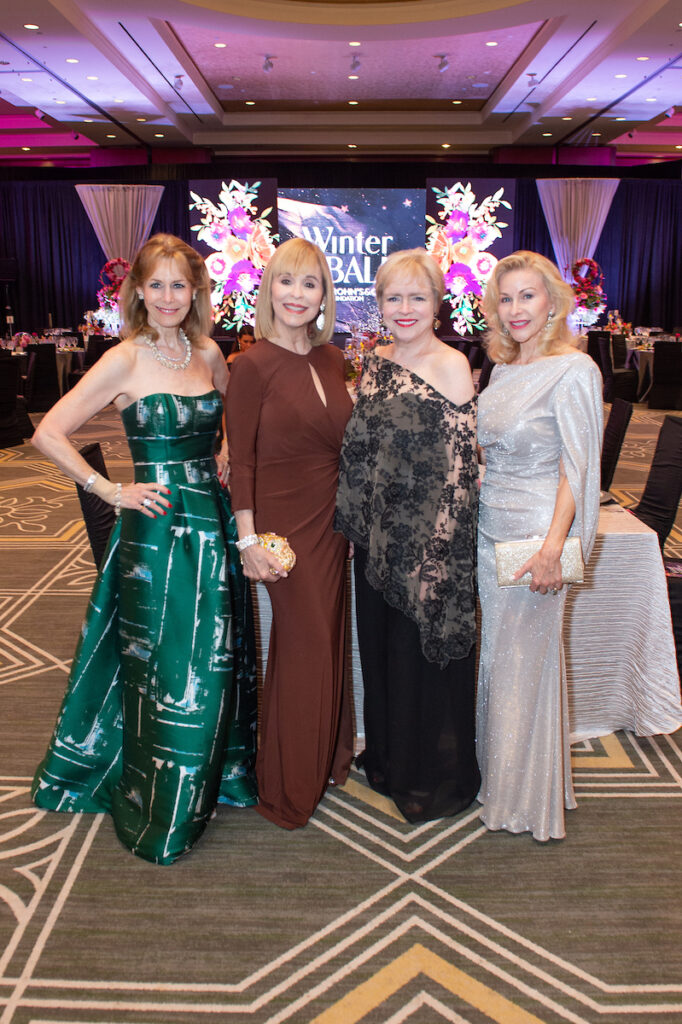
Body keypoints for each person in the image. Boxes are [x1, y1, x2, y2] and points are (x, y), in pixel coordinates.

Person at [31, 233, 258, 864]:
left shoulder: (210, 353)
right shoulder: (123, 359)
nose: (166, 297)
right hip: (155, 529)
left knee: (215, 654)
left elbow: (230, 425)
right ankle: (164, 802)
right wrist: (109, 489)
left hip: (211, 521)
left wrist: (223, 455)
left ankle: (220, 777)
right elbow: (48, 431)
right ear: (137, 291)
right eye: (154, 285)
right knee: (165, 663)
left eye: (178, 285)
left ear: (195, 292)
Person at [335, 248, 480, 824]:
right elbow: (361, 450)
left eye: (416, 297)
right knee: (382, 653)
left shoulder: (449, 364)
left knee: (419, 658)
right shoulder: (374, 360)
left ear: (437, 304)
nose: (404, 308)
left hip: (428, 546)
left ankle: (430, 771)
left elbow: (461, 468)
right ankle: (391, 758)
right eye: (392, 298)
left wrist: (437, 552)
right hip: (376, 541)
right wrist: (353, 521)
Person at [225, 236, 354, 830]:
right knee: (304, 645)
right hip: (282, 527)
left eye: (310, 283)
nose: (297, 294)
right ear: (268, 289)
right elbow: (242, 461)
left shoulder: (333, 358)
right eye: (286, 281)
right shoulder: (250, 365)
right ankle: (286, 784)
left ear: (324, 293)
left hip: (333, 523)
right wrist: (247, 539)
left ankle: (325, 756)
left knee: (326, 639)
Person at [476, 250, 603, 841]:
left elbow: (577, 470)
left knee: (524, 662)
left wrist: (556, 547)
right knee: (501, 662)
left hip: (535, 538)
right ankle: (508, 781)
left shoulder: (575, 370)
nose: (516, 309)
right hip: (487, 532)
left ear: (552, 301)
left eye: (528, 296)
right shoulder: (501, 369)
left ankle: (525, 800)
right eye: (506, 298)